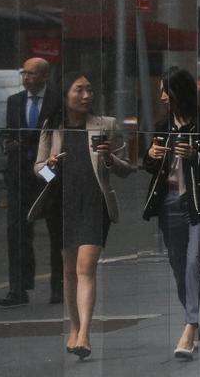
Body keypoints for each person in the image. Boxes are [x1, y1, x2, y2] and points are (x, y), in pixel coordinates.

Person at [29, 73, 134, 360]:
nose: (86, 95)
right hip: (61, 204)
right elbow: (39, 171)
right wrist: (50, 165)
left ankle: (85, 334)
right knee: (68, 270)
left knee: (86, 267)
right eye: (79, 90)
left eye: (89, 89)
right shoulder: (52, 127)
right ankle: (74, 328)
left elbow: (127, 168)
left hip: (94, 203)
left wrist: (111, 159)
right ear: (65, 95)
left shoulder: (106, 125)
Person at [142, 67, 200, 360]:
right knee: (180, 268)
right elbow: (150, 165)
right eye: (161, 91)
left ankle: (190, 326)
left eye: (167, 90)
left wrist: (197, 157)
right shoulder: (163, 125)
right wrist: (150, 157)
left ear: (181, 92)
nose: (163, 97)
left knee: (193, 263)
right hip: (169, 203)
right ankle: (193, 319)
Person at [0, 57, 63, 307]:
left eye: (32, 74)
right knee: (17, 233)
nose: (26, 78)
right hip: (20, 176)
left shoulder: (57, 101)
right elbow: (7, 132)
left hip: (47, 173)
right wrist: (7, 144)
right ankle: (18, 289)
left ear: (45, 76)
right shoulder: (14, 102)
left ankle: (58, 288)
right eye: (24, 73)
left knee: (56, 230)